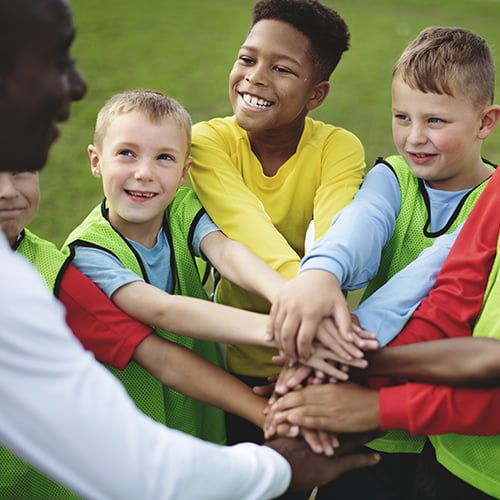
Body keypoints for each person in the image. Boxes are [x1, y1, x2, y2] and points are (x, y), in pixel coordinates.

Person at [0, 0, 382, 498]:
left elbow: (233, 250)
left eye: (162, 158)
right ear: (95, 161)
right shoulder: (83, 255)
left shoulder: (181, 208)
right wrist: (300, 325)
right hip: (160, 426)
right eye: (248, 59)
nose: (144, 173)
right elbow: (168, 316)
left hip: (216, 407)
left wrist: (307, 299)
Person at [266, 25, 500, 499]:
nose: (414, 137)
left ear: (485, 122)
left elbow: (428, 279)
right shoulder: (392, 177)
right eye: (401, 116)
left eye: (435, 121)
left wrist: (343, 352)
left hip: (439, 421)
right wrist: (321, 273)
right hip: (363, 412)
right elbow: (360, 227)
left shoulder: (489, 202)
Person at [189, 0, 367, 447]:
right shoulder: (207, 141)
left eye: (282, 69)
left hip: (313, 360)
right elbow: (244, 226)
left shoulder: (338, 148)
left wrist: (311, 334)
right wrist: (311, 308)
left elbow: (334, 239)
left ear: (316, 94)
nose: (255, 77)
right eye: (247, 59)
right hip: (232, 363)